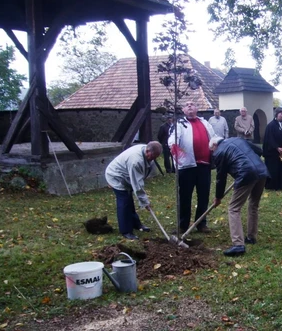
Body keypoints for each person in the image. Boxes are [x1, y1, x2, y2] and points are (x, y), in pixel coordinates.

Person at [209, 136, 269, 257]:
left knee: (233, 208)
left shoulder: (219, 152)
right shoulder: (238, 139)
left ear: (215, 146)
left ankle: (238, 245)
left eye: (211, 150)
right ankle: (251, 237)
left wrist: (218, 197)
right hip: (262, 170)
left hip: (246, 174)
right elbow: (259, 151)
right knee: (253, 205)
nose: (212, 153)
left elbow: (221, 178)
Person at [168, 101, 215, 233]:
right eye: (187, 105)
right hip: (187, 166)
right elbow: (172, 141)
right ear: (183, 109)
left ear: (197, 108)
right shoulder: (179, 124)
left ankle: (201, 223)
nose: (190, 106)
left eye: (192, 104)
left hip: (204, 166)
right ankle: (183, 225)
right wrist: (178, 154)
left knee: (203, 196)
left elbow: (214, 138)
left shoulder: (205, 123)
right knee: (185, 196)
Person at [105, 141, 162, 240]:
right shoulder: (136, 161)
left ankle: (136, 224)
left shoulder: (146, 150)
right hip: (116, 176)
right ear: (147, 151)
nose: (153, 159)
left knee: (129, 201)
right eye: (153, 156)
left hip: (127, 176)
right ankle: (126, 231)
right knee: (124, 202)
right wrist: (145, 202)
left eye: (156, 157)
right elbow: (137, 186)